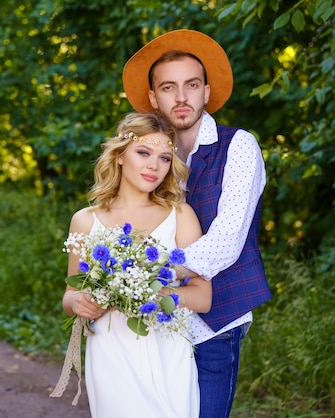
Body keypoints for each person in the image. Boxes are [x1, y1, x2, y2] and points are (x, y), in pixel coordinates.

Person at [122, 29, 273, 418]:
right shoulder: (148, 156)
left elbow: (226, 239)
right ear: (154, 98)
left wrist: (147, 276)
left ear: (206, 92)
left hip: (216, 321)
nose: (182, 96)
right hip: (152, 321)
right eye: (168, 87)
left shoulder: (238, 146)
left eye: (191, 85)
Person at [53, 112, 212, 417]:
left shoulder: (180, 215)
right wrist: (79, 302)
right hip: (111, 352)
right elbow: (69, 294)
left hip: (169, 351)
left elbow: (203, 298)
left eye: (165, 158)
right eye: (143, 153)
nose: (154, 165)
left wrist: (155, 295)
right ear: (121, 155)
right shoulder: (85, 221)